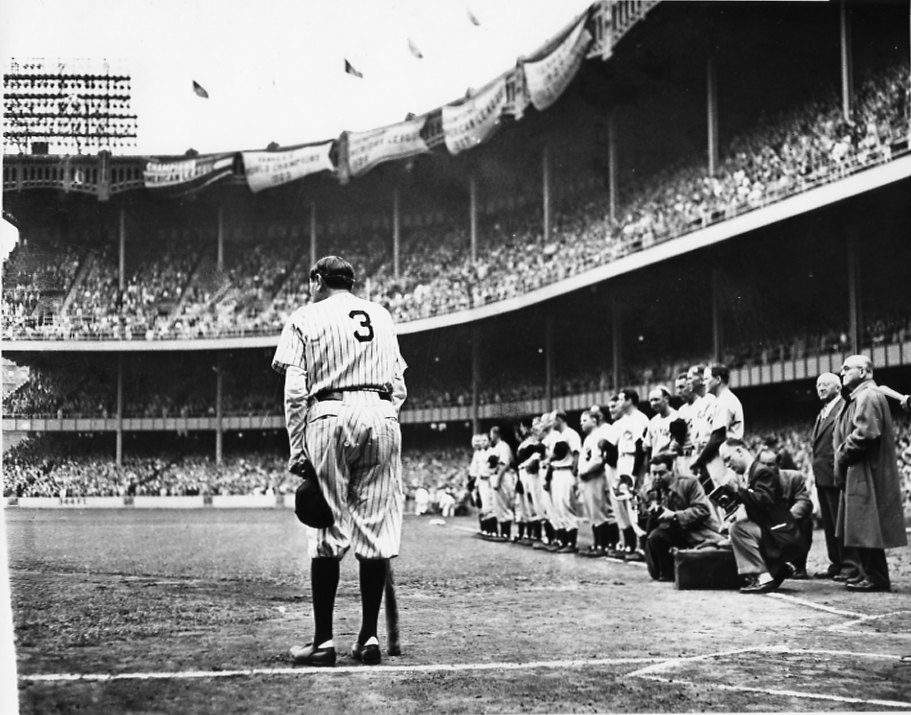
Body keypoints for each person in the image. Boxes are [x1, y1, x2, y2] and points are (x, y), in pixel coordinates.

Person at [272, 255, 408, 667]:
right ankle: (368, 639)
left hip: (329, 413)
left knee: (327, 532)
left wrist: (299, 449)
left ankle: (324, 643)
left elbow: (295, 391)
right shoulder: (381, 315)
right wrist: (381, 416)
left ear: (317, 280)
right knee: (375, 531)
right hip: (382, 413)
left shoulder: (305, 316)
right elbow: (399, 385)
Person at [833, 354, 908, 592]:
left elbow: (866, 434)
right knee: (863, 524)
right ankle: (870, 574)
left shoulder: (867, 395)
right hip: (862, 467)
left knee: (866, 523)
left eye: (847, 368)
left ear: (863, 372)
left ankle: (876, 577)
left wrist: (842, 452)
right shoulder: (864, 395)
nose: (842, 372)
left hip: (865, 467)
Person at [718, 438, 801, 594]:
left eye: (728, 459)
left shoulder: (762, 472)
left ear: (739, 451)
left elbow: (765, 500)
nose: (728, 465)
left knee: (738, 530)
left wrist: (737, 490)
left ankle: (764, 577)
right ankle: (778, 568)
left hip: (779, 532)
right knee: (733, 531)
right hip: (772, 529)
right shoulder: (751, 473)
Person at [642, 453, 722, 582]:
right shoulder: (649, 489)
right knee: (655, 544)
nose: (657, 478)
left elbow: (702, 510)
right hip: (671, 533)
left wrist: (675, 515)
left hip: (696, 532)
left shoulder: (689, 483)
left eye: (661, 473)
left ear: (671, 470)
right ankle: (669, 572)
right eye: (654, 473)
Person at [810, 372, 853, 580]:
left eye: (825, 384)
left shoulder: (843, 408)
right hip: (822, 475)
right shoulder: (823, 412)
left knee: (839, 521)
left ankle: (847, 564)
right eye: (818, 385)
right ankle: (836, 562)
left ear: (838, 387)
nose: (820, 388)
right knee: (829, 523)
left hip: (835, 474)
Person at [758, 448, 813, 579]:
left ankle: (800, 566)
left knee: (805, 522)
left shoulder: (794, 477)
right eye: (762, 464)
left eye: (770, 464)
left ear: (779, 465)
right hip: (767, 526)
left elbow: (804, 502)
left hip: (789, 523)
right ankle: (771, 567)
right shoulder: (753, 480)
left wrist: (787, 519)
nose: (765, 468)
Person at [576, 406, 614, 557]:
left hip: (594, 477)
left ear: (594, 420)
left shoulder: (599, 436)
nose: (582, 423)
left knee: (598, 512)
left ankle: (602, 545)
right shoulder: (588, 438)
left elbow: (598, 460)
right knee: (591, 513)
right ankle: (596, 543)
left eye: (585, 420)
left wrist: (585, 471)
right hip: (587, 479)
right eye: (581, 421)